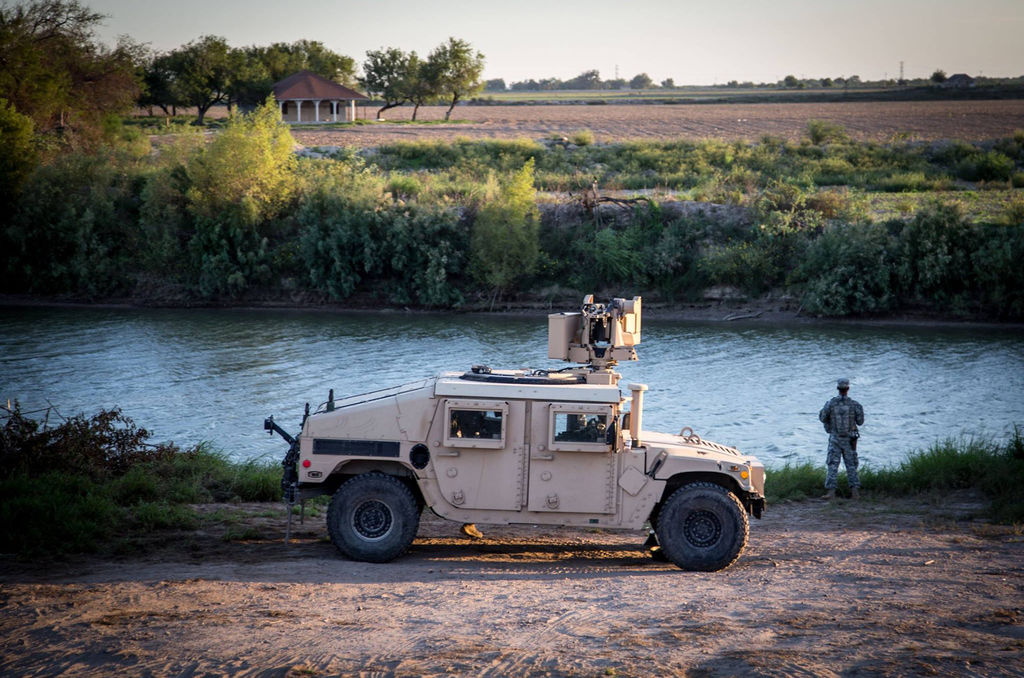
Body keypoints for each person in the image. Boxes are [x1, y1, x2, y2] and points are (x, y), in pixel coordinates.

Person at [818, 378, 865, 500]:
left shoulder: (830, 403)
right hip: (850, 440)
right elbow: (860, 422)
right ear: (848, 389)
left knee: (833, 464)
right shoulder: (855, 405)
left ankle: (831, 493)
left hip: (835, 439)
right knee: (851, 465)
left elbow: (822, 417)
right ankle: (855, 493)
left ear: (838, 389)